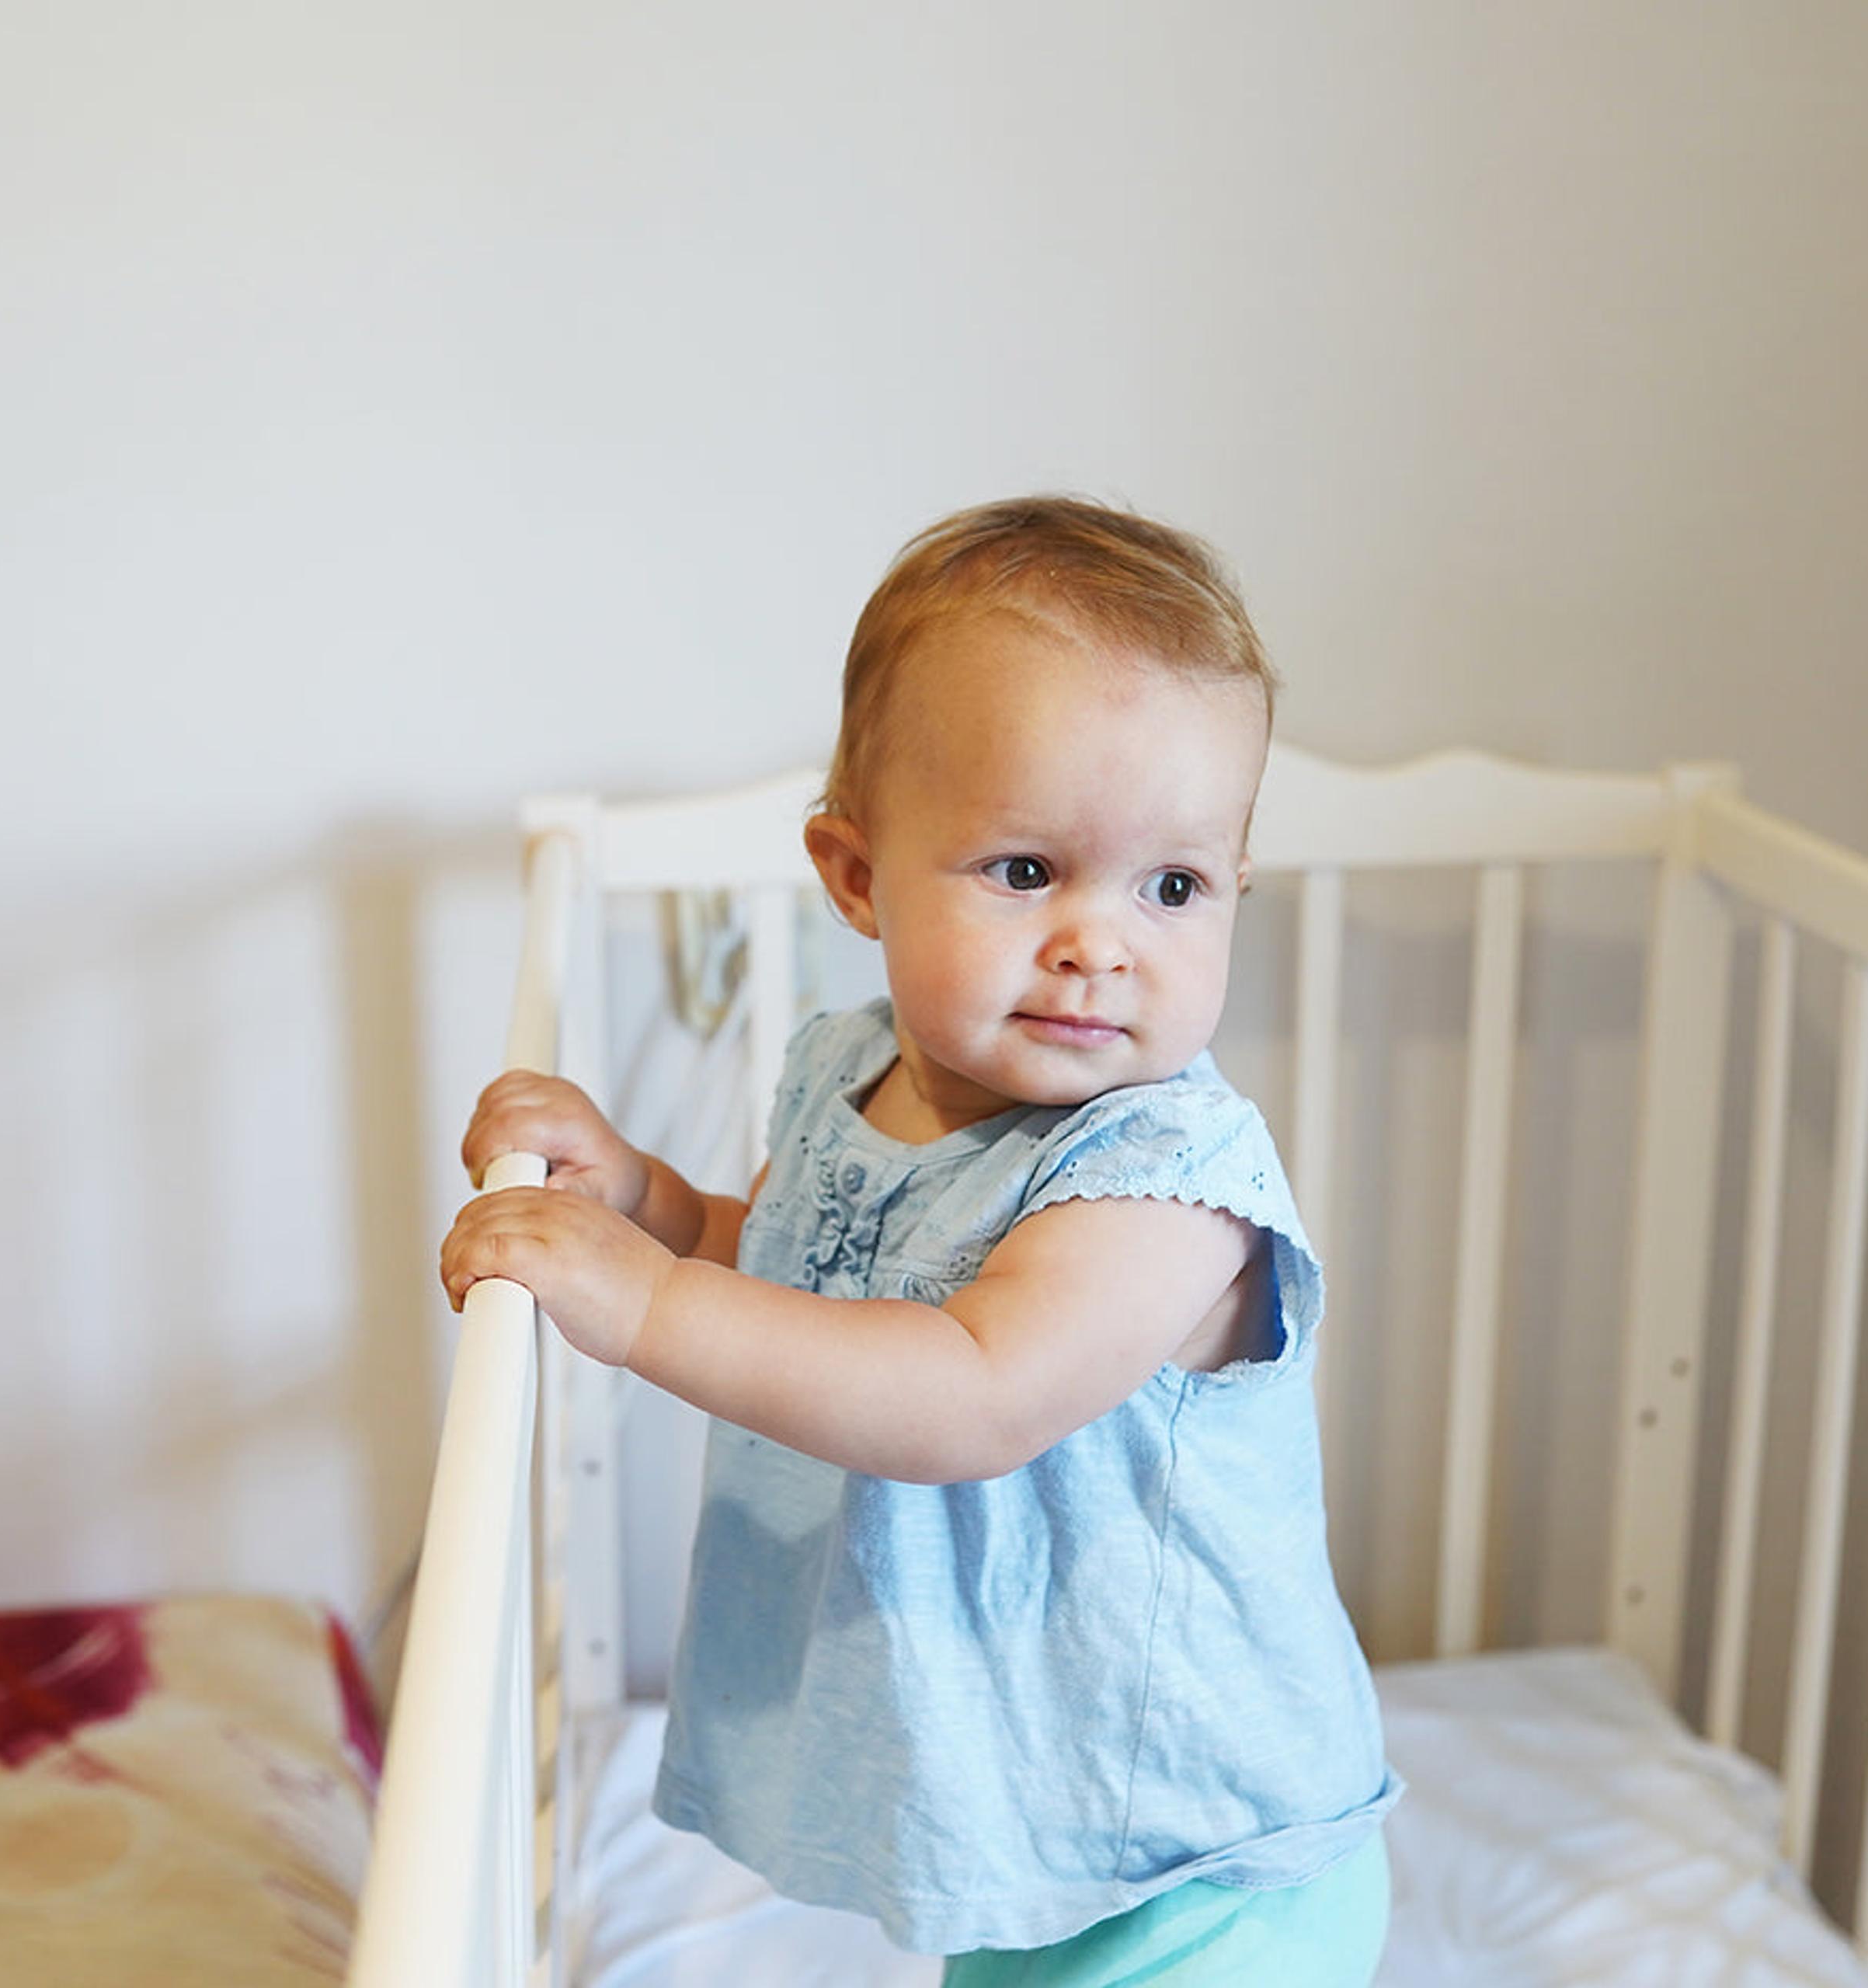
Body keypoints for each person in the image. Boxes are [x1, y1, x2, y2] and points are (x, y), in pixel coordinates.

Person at [440, 496, 1399, 1983]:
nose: (1103, 942)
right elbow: (799, 1259)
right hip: (1024, 1823)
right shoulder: (849, 1071)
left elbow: (967, 1390)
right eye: (1027, 872)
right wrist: (646, 1204)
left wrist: (640, 1311)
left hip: (1197, 1863)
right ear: (858, 877)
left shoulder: (1170, 1179)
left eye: (1174, 885)